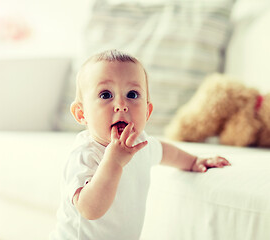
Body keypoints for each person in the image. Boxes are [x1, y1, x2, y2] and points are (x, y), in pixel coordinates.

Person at [49, 49, 231, 240]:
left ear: (147, 112)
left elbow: (165, 152)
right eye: (105, 95)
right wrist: (113, 162)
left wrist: (194, 162)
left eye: (132, 94)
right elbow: (90, 209)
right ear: (81, 113)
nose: (121, 104)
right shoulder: (85, 154)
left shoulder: (141, 143)